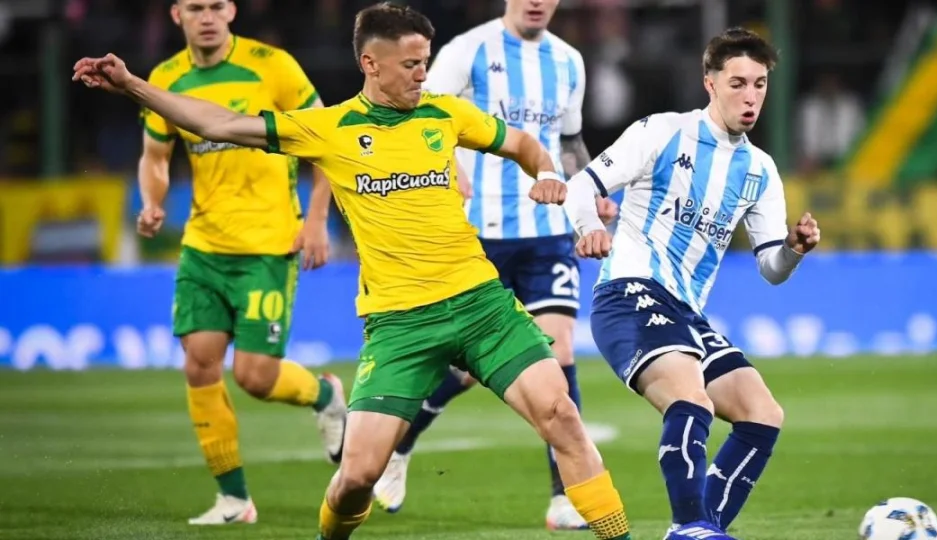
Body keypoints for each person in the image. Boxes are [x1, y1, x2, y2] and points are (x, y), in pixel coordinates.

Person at [73, 4, 635, 540]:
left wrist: (545, 172)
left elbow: (523, 143)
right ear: (371, 63)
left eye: (425, 60)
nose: (422, 74)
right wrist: (134, 86)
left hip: (481, 305)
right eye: (410, 64)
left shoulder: (445, 113)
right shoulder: (330, 128)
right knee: (357, 477)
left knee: (562, 415)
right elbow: (220, 122)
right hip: (399, 327)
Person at [561, 27, 822, 540]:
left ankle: (702, 529)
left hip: (686, 313)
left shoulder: (760, 170)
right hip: (630, 293)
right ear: (710, 83)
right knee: (692, 399)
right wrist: (590, 227)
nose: (750, 97)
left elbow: (771, 269)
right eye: (738, 83)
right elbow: (580, 187)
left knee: (762, 413)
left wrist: (793, 249)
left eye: (760, 85)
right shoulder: (662, 132)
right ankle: (690, 525)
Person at [371, 0, 615, 530]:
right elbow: (421, 114)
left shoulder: (569, 61)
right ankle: (400, 445)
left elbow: (568, 140)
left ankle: (564, 497)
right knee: (463, 372)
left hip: (547, 232)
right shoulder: (467, 51)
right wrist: (448, 167)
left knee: (559, 350)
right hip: (480, 235)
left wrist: (591, 190)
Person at [134, 0, 346, 525]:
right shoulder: (165, 78)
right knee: (199, 363)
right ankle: (234, 500)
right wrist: (154, 201)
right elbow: (155, 155)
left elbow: (325, 139)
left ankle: (324, 394)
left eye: (215, 6)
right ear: (176, 14)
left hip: (269, 246)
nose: (206, 17)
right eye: (195, 8)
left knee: (255, 376)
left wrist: (317, 220)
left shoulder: (273, 65)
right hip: (204, 245)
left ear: (230, 10)